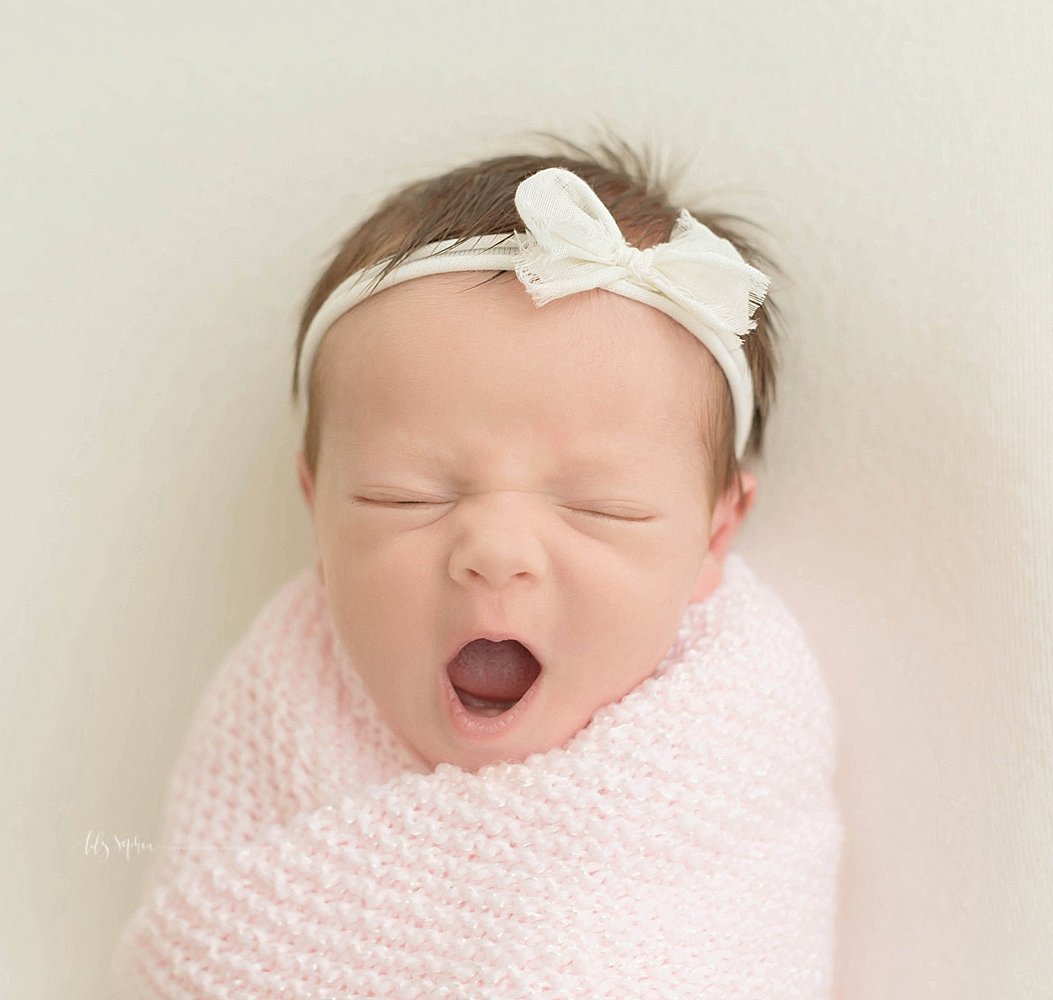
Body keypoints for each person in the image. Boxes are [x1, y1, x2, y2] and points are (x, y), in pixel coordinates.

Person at [114, 137, 841, 998]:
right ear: (316, 505)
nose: (494, 552)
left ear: (716, 536)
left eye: (597, 506)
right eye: (404, 496)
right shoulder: (281, 704)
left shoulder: (732, 735)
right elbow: (200, 949)